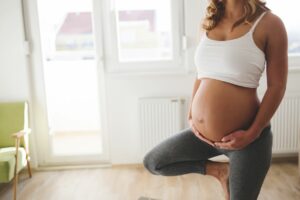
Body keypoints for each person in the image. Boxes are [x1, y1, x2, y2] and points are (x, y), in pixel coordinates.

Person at [143, 0, 288, 199]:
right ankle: (219, 171)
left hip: (247, 139)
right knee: (154, 162)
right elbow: (201, 74)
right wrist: (192, 115)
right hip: (202, 137)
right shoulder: (209, 21)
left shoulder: (270, 23)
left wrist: (253, 133)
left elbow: (277, 86)